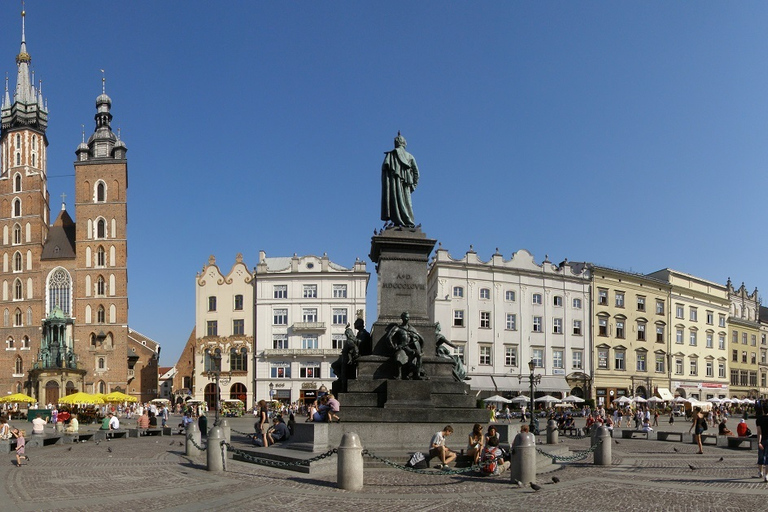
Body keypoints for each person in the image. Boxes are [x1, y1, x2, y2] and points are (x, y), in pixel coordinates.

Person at [381, 131, 419, 228]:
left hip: (394, 185)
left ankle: (398, 220)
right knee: (407, 203)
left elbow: (385, 173)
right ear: (404, 143)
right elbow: (416, 173)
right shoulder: (409, 156)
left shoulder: (391, 155)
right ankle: (408, 221)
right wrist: (414, 185)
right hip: (406, 184)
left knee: (396, 201)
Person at [387, 312, 425, 380]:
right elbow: (389, 337)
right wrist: (393, 346)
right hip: (402, 347)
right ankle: (399, 375)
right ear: (402, 318)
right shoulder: (398, 328)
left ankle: (417, 374)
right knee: (398, 357)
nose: (407, 319)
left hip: (410, 348)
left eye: (408, 317)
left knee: (419, 355)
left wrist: (414, 336)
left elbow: (420, 338)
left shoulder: (412, 329)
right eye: (406, 317)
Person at [756, 403, 768, 482]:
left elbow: (759, 432)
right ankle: (766, 475)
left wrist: (759, 442)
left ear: (763, 410)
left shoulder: (759, 419)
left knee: (761, 456)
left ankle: (760, 472)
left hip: (762, 440)